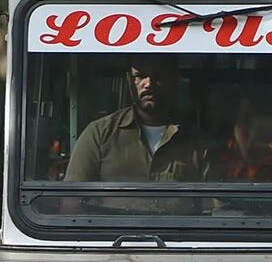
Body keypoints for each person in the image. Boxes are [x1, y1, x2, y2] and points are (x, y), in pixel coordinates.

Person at [63, 57, 218, 185]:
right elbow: (71, 203)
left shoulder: (198, 142)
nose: (148, 84)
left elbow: (216, 209)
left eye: (159, 76)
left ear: (174, 80)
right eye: (140, 76)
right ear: (129, 81)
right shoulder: (99, 134)